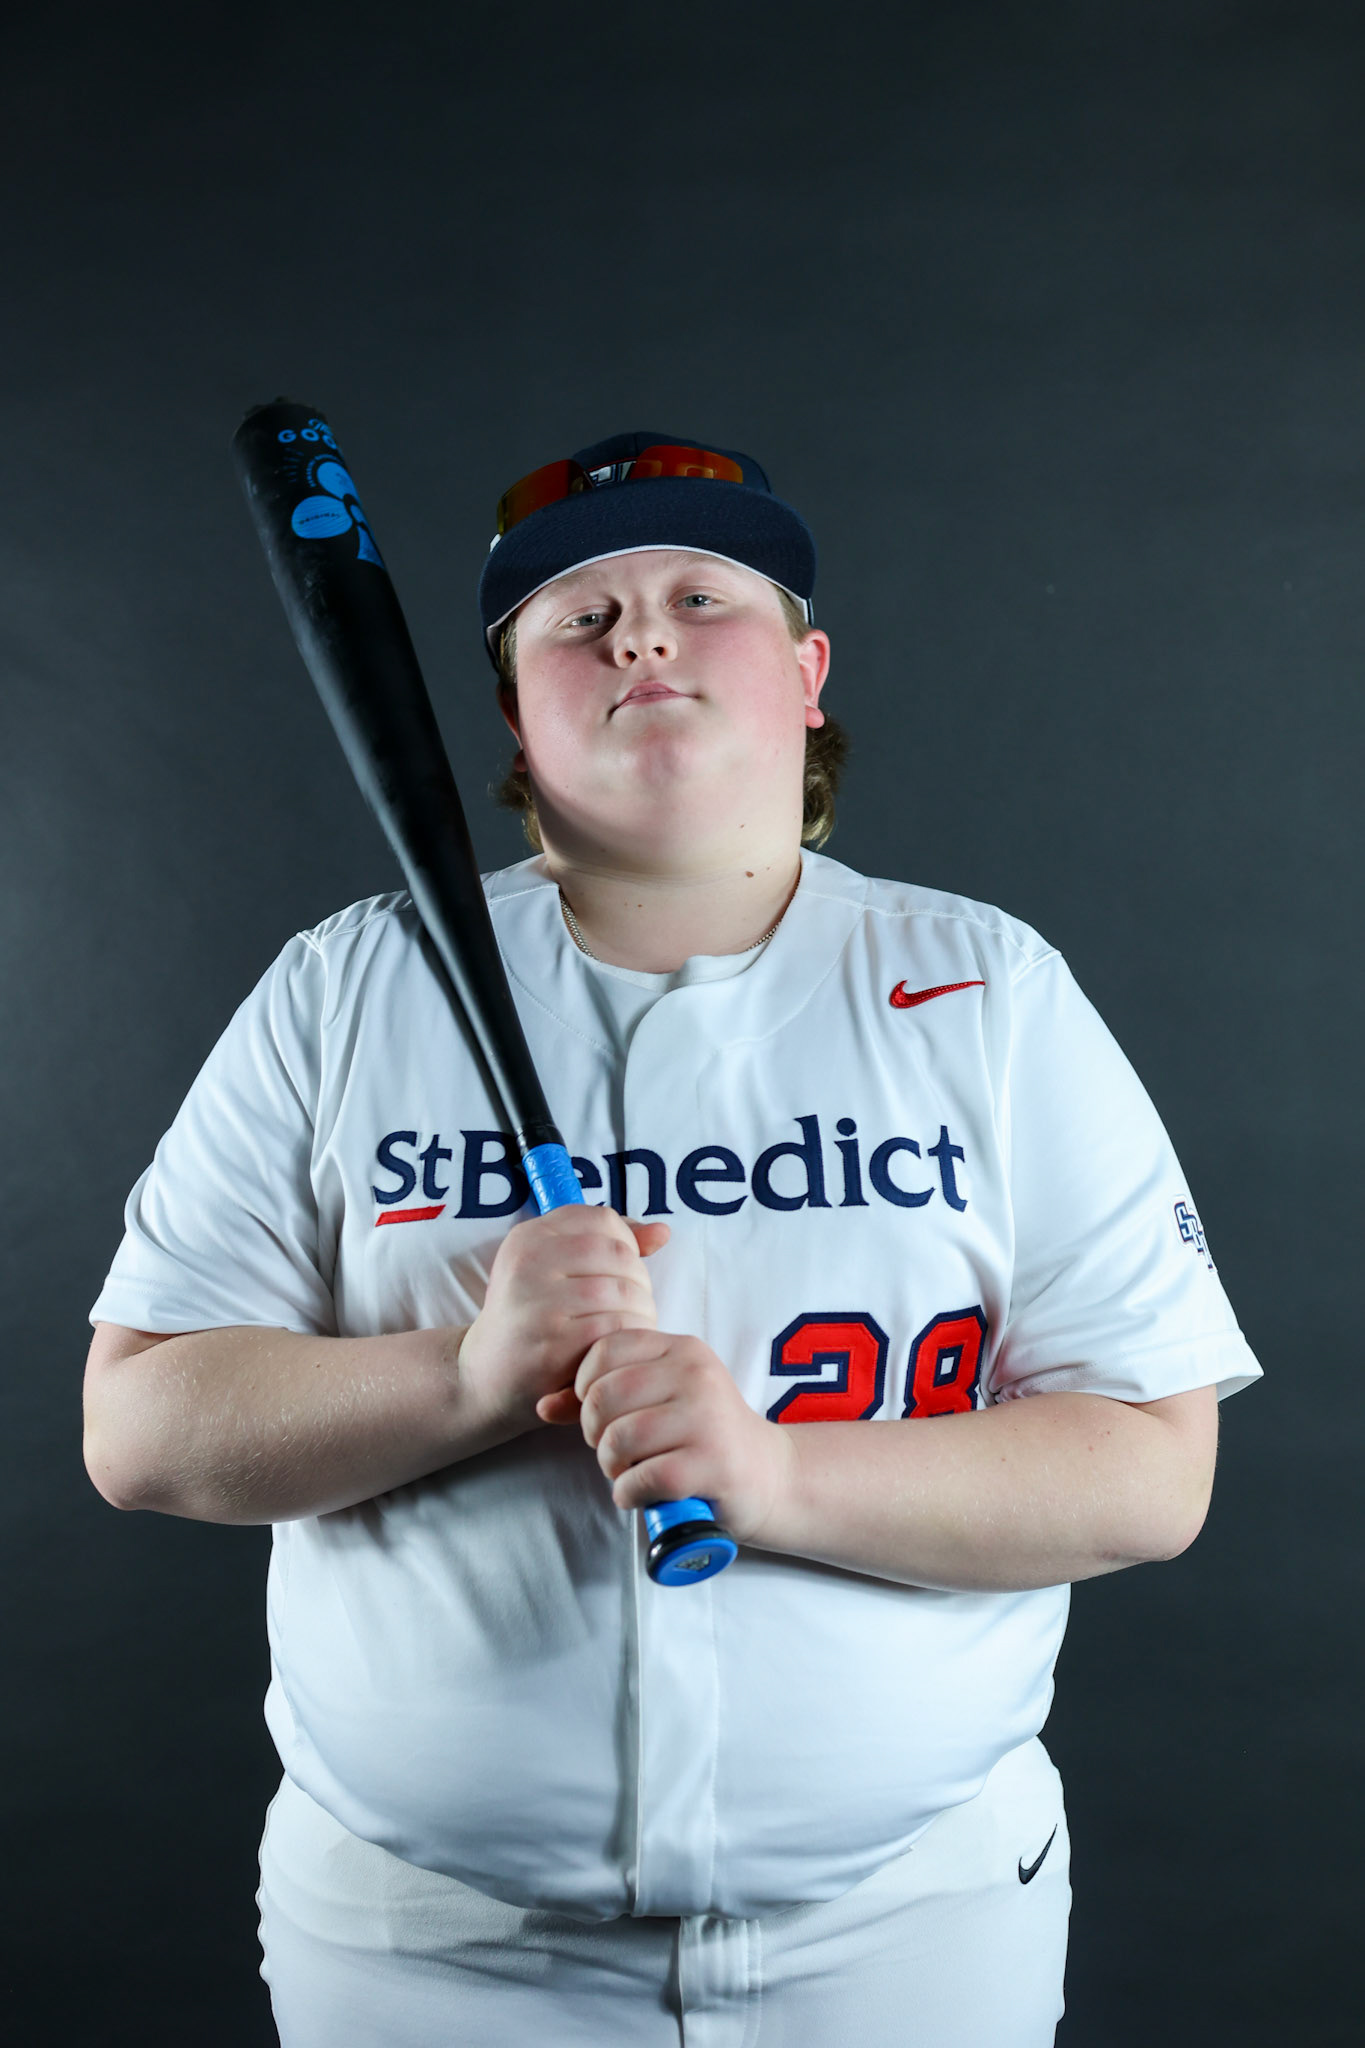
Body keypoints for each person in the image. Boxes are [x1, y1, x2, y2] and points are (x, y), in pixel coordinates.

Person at [82, 431, 1261, 2047]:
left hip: (910, 1931)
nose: (640, 633)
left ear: (806, 677)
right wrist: (467, 1373)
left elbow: (1149, 1473)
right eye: (578, 618)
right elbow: (140, 1430)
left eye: (701, 596)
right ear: (513, 718)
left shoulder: (987, 992)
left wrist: (773, 1477)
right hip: (433, 1953)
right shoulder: (343, 990)